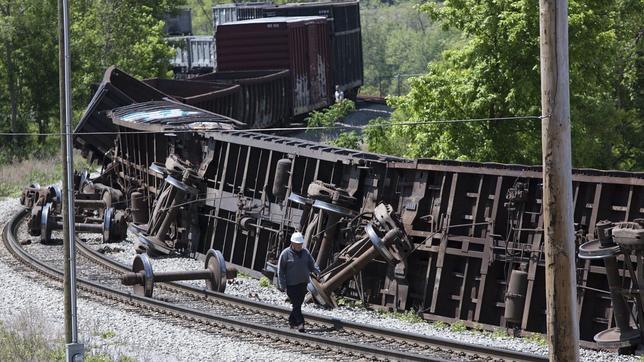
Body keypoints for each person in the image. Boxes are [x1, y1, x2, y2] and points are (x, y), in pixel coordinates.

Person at [277, 231, 320, 332]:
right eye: (297, 244)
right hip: (291, 284)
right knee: (296, 304)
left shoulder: (305, 253)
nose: (299, 246)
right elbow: (280, 270)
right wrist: (282, 285)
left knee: (298, 304)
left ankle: (292, 322)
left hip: (303, 283)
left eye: (300, 244)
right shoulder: (285, 254)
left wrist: (317, 271)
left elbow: (312, 264)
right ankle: (301, 324)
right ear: (292, 243)